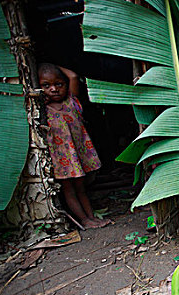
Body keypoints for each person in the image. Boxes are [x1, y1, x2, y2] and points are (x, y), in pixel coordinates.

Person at [38, 63, 111, 229]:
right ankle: (84, 220)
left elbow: (72, 76)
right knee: (69, 191)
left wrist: (48, 63)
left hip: (77, 157)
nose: (54, 89)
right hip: (61, 161)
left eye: (59, 84)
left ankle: (91, 217)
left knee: (82, 189)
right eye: (46, 85)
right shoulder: (43, 110)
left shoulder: (72, 102)